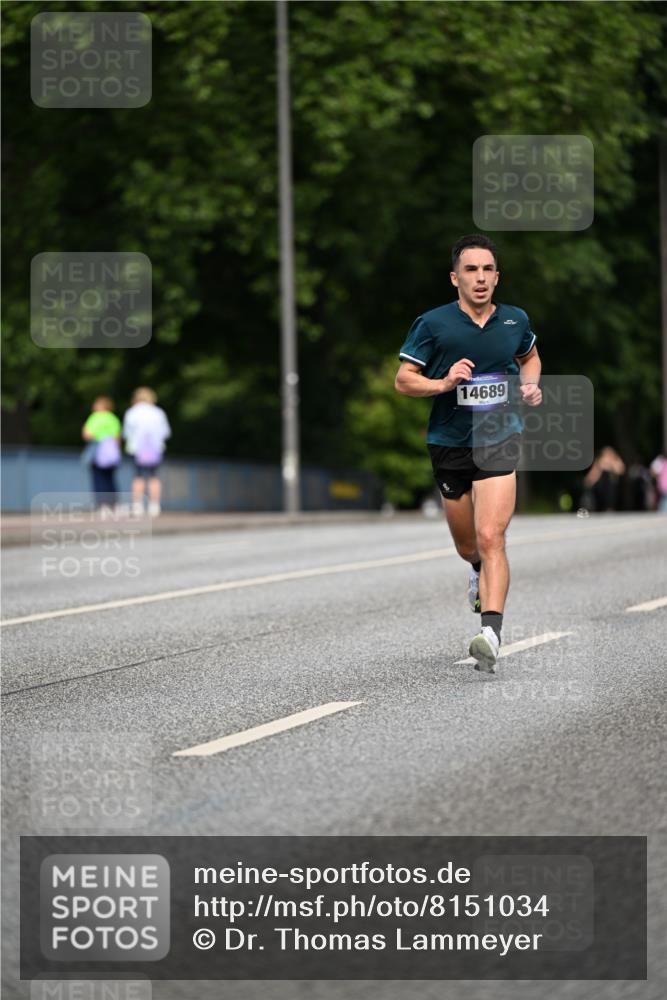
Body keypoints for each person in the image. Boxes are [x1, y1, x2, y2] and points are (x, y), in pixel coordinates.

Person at [394, 234, 542, 673]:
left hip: (499, 435)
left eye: (487, 270)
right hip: (449, 441)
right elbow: (404, 379)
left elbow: (530, 357)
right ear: (455, 277)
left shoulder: (515, 321)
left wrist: (531, 384)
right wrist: (443, 383)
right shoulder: (433, 324)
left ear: (497, 277)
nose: (480, 278)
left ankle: (491, 633)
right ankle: (476, 569)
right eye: (471, 270)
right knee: (467, 545)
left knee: (492, 535)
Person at [123, 387, 171, 516]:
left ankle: (137, 505)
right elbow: (166, 432)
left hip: (137, 449)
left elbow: (127, 433)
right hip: (155, 448)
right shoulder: (158, 412)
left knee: (138, 476)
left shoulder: (132, 412)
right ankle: (154, 506)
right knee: (153, 477)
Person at [81, 396, 122, 511]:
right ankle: (114, 504)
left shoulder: (94, 417)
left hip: (97, 451)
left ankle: (103, 505)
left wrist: (98, 437)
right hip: (110, 453)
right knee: (111, 479)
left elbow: (86, 434)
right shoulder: (113, 418)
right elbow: (117, 438)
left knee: (98, 478)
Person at [581, 446, 626, 512]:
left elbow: (621, 470)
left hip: (612, 486)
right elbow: (595, 472)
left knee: (611, 495)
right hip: (602, 485)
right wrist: (589, 480)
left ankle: (609, 508)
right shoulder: (600, 460)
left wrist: (613, 464)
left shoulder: (615, 460)